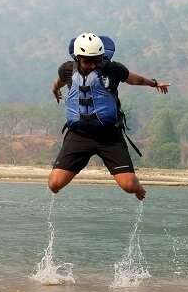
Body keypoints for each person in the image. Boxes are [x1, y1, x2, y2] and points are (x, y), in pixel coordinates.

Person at [48, 32, 170, 199]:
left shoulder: (113, 69)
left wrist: (154, 83)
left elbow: (136, 80)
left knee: (129, 186)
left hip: (109, 136)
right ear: (77, 58)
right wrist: (55, 90)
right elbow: (59, 81)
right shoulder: (67, 69)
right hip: (79, 136)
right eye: (87, 61)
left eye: (97, 60)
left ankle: (138, 187)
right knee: (54, 185)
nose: (92, 65)